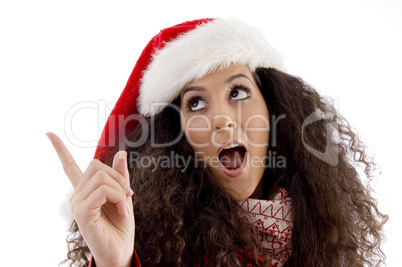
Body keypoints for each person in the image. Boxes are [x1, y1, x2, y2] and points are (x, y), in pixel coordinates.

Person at [47, 18, 388, 266]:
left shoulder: (325, 233)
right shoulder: (163, 250)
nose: (222, 119)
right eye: (195, 103)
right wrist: (115, 263)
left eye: (238, 91)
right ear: (177, 137)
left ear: (273, 107)